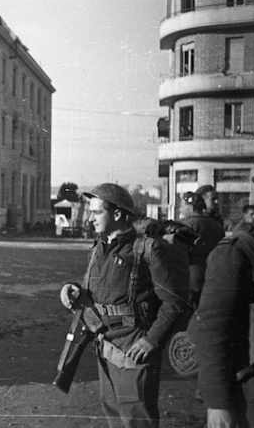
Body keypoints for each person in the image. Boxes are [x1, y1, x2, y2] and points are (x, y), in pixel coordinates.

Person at [60, 183, 186, 427]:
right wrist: (72, 288)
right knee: (114, 418)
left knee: (137, 420)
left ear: (117, 214)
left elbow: (174, 303)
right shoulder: (98, 248)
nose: (90, 218)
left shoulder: (148, 249)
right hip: (104, 347)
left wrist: (152, 340)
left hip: (134, 351)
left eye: (97, 213)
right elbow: (99, 290)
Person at [188, 173, 254, 428]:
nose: (215, 202)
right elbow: (212, 328)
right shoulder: (240, 247)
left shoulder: (218, 224)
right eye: (211, 198)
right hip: (206, 279)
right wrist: (217, 401)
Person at [181, 186, 225, 310]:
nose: (180, 209)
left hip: (191, 277)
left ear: (190, 208)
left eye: (182, 206)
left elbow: (180, 253)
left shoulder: (186, 225)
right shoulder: (216, 225)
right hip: (213, 275)